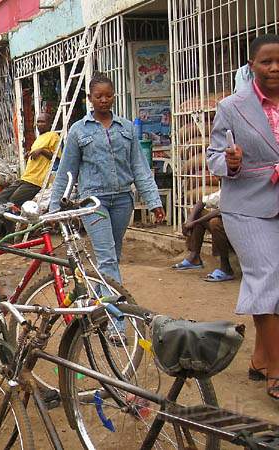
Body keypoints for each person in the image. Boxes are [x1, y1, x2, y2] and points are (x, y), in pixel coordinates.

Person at [206, 34, 279, 402]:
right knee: (266, 273)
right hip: (246, 204)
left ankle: (261, 358)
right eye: (266, 61)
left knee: (273, 280)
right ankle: (278, 372)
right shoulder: (232, 107)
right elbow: (214, 155)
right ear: (252, 66)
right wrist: (229, 163)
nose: (274, 67)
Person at [50, 74, 165, 284]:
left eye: (108, 96)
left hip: (123, 201)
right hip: (93, 203)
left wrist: (154, 202)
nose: (104, 100)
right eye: (99, 96)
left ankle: (99, 302)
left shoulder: (126, 128)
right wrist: (54, 209)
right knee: (107, 257)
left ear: (114, 97)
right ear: (90, 99)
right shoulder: (78, 130)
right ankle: (116, 314)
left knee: (113, 256)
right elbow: (66, 173)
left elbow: (140, 168)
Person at [0, 112, 60, 206]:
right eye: (38, 122)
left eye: (42, 122)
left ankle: (16, 218)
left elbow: (57, 158)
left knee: (14, 200)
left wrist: (42, 151)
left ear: (49, 123)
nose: (39, 124)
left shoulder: (53, 136)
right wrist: (30, 153)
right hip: (26, 177)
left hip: (36, 180)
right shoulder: (39, 138)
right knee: (1, 197)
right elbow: (36, 154)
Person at [171, 190, 234, 281]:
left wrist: (193, 222)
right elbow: (202, 201)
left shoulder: (242, 190)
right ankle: (194, 257)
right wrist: (189, 221)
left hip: (242, 233)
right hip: (230, 228)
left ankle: (226, 268)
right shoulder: (227, 190)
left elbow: (222, 210)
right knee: (197, 213)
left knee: (215, 223)